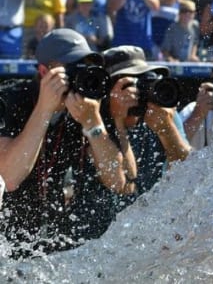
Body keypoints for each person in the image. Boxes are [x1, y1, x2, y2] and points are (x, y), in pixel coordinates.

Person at [0, 28, 133, 254]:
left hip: (56, 242)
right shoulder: (10, 100)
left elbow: (120, 183)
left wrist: (93, 124)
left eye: (85, 66)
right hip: (7, 238)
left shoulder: (90, 102)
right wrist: (44, 108)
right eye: (72, 69)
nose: (79, 77)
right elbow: (8, 178)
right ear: (44, 71)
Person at [102, 45, 192, 198]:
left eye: (142, 80)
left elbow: (188, 172)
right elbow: (125, 186)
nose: (136, 91)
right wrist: (118, 122)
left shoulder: (160, 111)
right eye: (128, 83)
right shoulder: (97, 117)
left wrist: (166, 128)